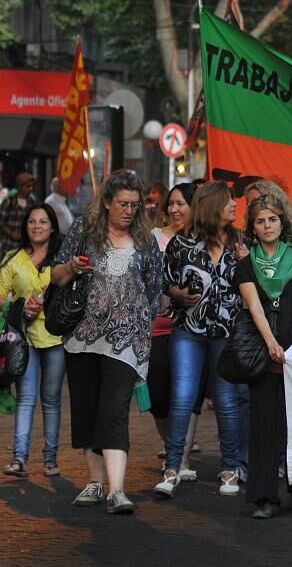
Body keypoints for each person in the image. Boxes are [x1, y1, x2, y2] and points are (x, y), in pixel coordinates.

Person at [51, 170, 164, 514]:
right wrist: (72, 267)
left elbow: (154, 289)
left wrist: (139, 322)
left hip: (126, 342)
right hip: (83, 337)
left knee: (114, 410)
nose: (129, 211)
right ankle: (95, 482)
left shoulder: (146, 240)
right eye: (123, 204)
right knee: (86, 408)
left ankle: (117, 491)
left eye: (135, 204)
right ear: (108, 204)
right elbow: (56, 275)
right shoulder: (83, 231)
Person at [156, 181, 247, 499]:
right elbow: (163, 280)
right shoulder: (182, 243)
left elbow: (254, 284)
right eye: (228, 201)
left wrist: (247, 261)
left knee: (226, 401)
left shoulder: (240, 241)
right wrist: (178, 294)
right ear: (213, 207)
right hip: (188, 331)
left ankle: (231, 468)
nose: (234, 205)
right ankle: (171, 468)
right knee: (182, 397)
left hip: (227, 333)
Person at [237, 194, 292, 519]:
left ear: (283, 222)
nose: (267, 226)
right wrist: (271, 343)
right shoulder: (245, 264)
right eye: (260, 221)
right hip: (264, 350)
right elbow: (254, 307)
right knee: (264, 422)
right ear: (252, 227)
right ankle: (264, 496)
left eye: (272, 219)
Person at [145, 183, 202, 484]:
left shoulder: (202, 240)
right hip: (155, 328)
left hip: (190, 327)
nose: (175, 209)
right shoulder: (154, 239)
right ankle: (172, 448)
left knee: (187, 394)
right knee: (157, 396)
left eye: (181, 203)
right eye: (172, 203)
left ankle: (181, 459)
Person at [1, 205, 64, 479]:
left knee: (51, 400)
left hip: (56, 338)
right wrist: (20, 305)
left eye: (43, 221)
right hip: (24, 340)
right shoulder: (12, 259)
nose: (37, 226)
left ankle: (50, 460)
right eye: (32, 222)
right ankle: (19, 458)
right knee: (27, 399)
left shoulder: (62, 260)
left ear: (52, 226)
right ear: (25, 227)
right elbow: (1, 297)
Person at [2, 171, 37, 254]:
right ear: (19, 187)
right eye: (28, 186)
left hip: (27, 247)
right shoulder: (9, 202)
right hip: (10, 246)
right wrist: (11, 233)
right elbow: (1, 222)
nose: (31, 189)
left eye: (32, 186)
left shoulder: (32, 202)